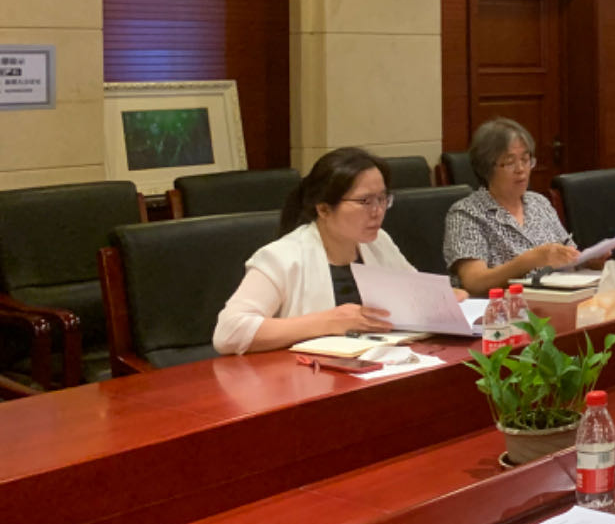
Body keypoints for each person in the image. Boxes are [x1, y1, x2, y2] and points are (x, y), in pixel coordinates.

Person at [213, 148, 413, 354]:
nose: (378, 211)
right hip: (305, 369)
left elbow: (416, 298)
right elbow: (229, 332)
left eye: (382, 198)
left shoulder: (379, 242)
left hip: (380, 362)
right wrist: (327, 322)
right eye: (365, 201)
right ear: (324, 209)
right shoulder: (282, 256)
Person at [443, 118, 591, 295]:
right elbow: (474, 282)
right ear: (486, 168)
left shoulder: (539, 203)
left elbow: (570, 255)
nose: (521, 169)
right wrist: (529, 260)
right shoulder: (466, 213)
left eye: (526, 159)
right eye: (510, 162)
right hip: (503, 306)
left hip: (558, 298)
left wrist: (589, 260)